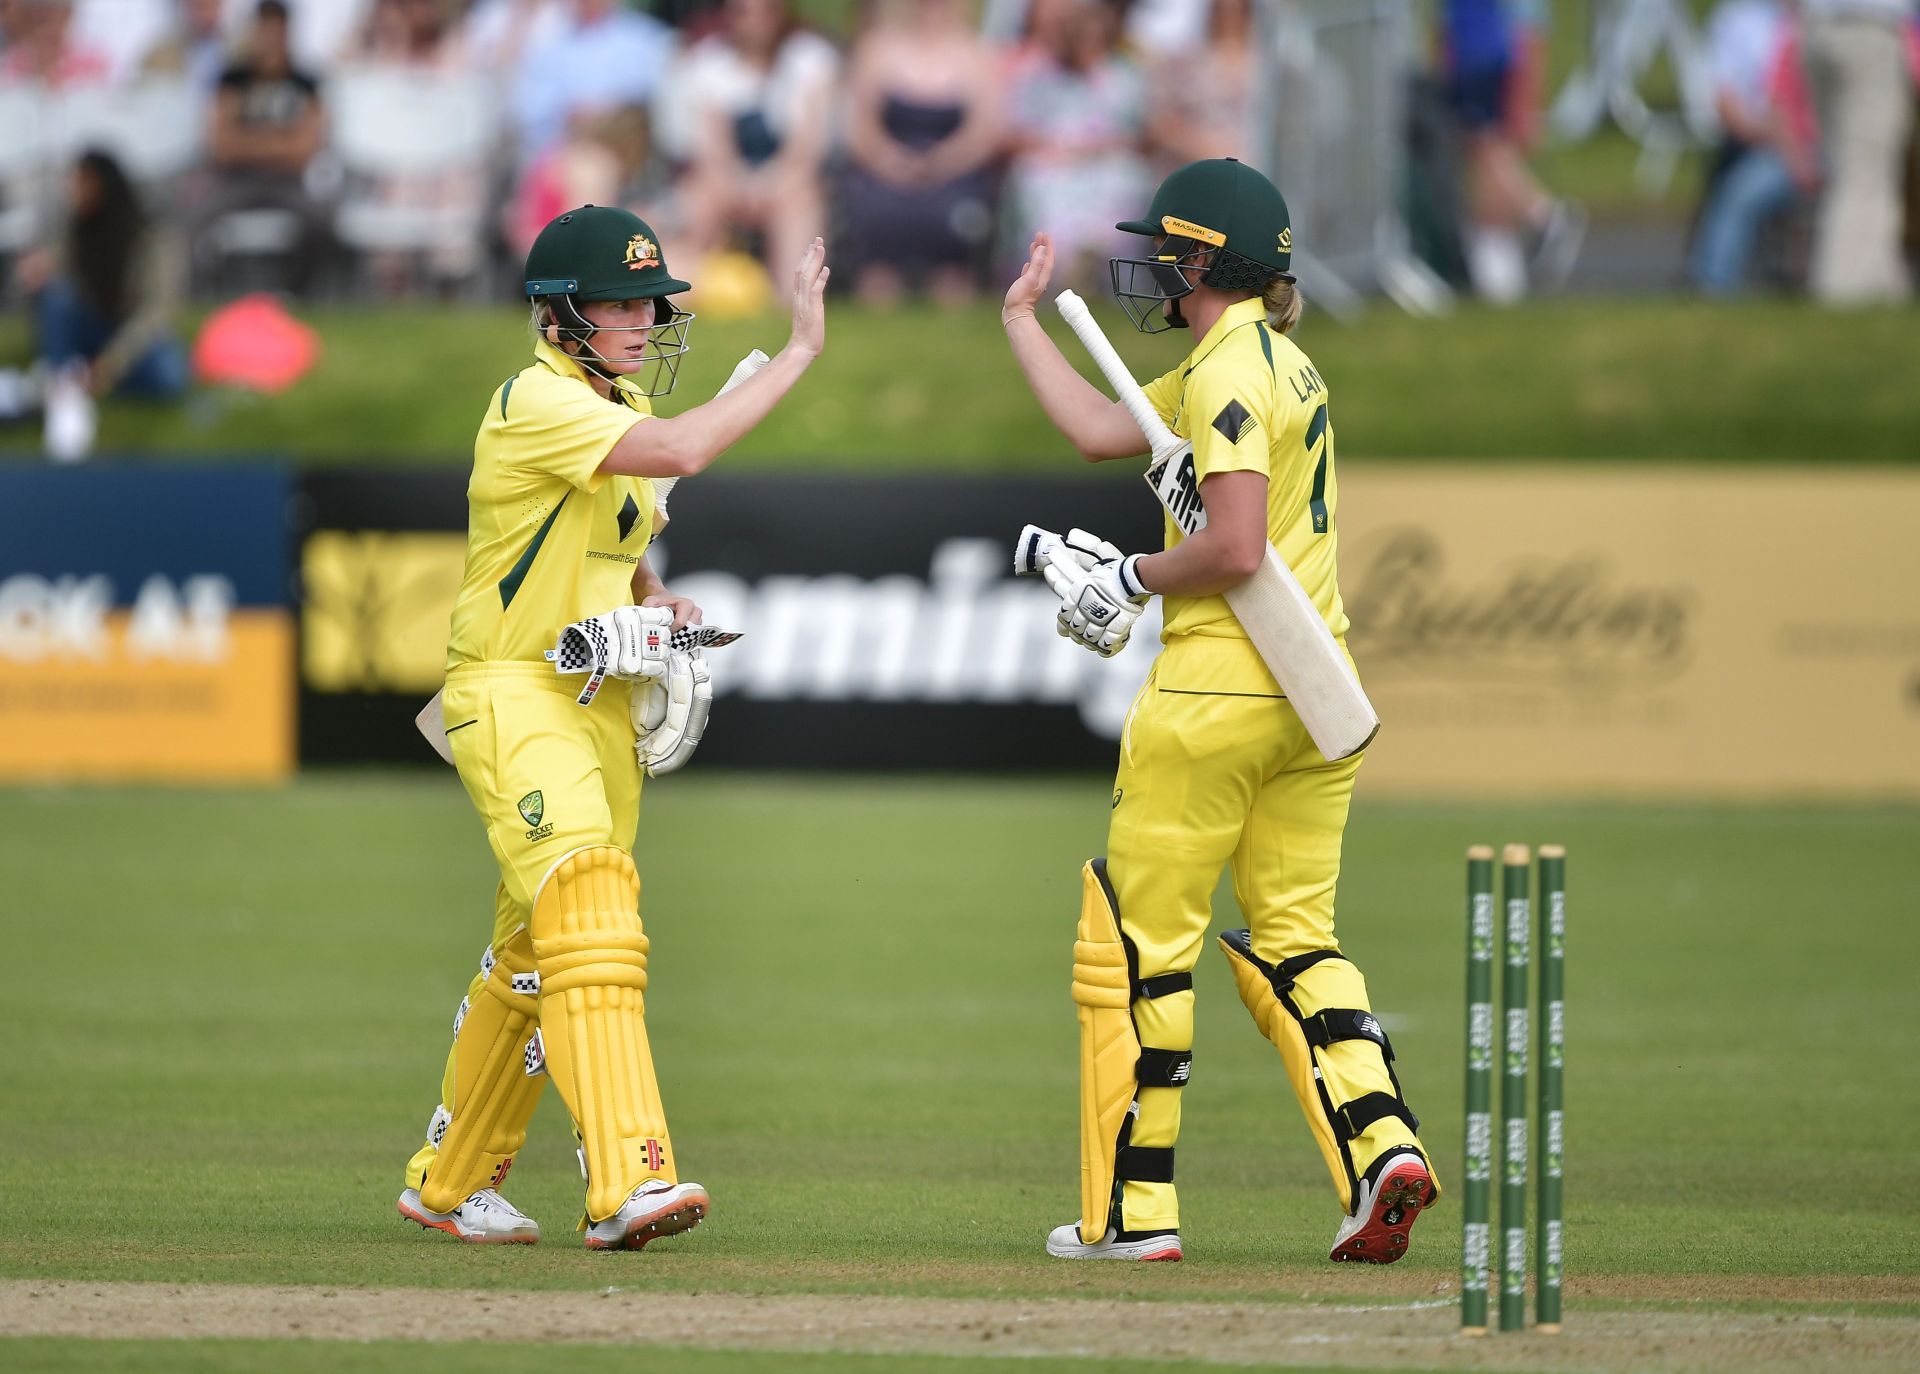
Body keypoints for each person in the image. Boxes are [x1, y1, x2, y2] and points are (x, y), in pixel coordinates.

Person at [1000, 158, 1438, 1264]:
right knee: (1299, 940)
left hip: (1215, 693)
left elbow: (1234, 547)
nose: (1154, 267)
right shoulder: (1280, 365)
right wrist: (1019, 320)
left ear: (1204, 261)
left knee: (1141, 948)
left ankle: (1129, 1214)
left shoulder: (1227, 373)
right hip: (1314, 698)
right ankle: (1380, 1147)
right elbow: (1104, 433)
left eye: (1167, 250)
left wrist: (1132, 580)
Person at [395, 206, 830, 1248]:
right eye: (623, 303)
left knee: (534, 951)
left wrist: (657, 597)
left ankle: (447, 1184)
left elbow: (615, 536)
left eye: (653, 302)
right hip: (513, 689)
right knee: (591, 909)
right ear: (560, 316)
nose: (645, 319)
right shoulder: (535, 401)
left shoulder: (613, 399)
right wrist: (804, 347)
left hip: (597, 699)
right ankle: (633, 1178)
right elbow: (681, 447)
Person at [15, 148, 188, 447]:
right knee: (58, 295)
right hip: (88, 325)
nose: (74, 190)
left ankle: (79, 380)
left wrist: (112, 363)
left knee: (169, 378)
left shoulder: (151, 236)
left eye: (82, 181)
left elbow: (157, 312)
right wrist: (37, 272)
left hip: (129, 334)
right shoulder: (72, 226)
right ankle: (65, 386)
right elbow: (54, 279)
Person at [840, 0, 1001, 304]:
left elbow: (984, 133)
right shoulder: (876, 48)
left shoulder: (977, 53)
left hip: (956, 177)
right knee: (880, 229)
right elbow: (860, 128)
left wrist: (942, 162)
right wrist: (891, 161)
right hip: (884, 174)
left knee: (953, 245)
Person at [674, 0, 837, 284]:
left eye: (766, 10)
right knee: (698, 199)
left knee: (798, 202)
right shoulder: (708, 62)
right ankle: (689, 289)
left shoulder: (810, 57)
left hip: (790, 177)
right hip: (727, 177)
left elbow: (806, 146)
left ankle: (790, 296)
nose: (755, 21)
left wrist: (772, 184)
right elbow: (713, 148)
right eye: (744, 11)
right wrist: (739, 184)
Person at [1439, 0, 1582, 301]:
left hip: (1485, 56)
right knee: (1484, 158)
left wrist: (1527, 92)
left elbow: (1529, 20)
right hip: (1474, 56)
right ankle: (1499, 276)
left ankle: (1545, 216)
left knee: (1486, 149)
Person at [1002, 0, 1149, 290]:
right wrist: (1056, 146)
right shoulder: (1041, 76)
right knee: (1039, 181)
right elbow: (1018, 130)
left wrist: (1098, 147)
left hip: (1106, 161)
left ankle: (1100, 261)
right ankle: (1061, 266)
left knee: (1125, 180)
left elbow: (1137, 133)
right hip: (1055, 161)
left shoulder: (1123, 77)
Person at [191, 0, 331, 295]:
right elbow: (222, 146)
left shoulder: (306, 82)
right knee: (195, 216)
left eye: (276, 31)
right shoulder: (232, 80)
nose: (270, 40)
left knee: (321, 221)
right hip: (236, 182)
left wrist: (249, 142)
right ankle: (208, 296)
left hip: (287, 184)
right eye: (264, 31)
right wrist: (280, 143)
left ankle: (301, 298)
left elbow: (305, 151)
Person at [1689, 0, 1819, 294]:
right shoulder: (1741, 18)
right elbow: (1732, 98)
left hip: (1814, 146)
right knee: (1741, 190)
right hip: (1768, 143)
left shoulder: (1818, 20)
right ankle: (1713, 283)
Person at [1800, 0, 1915, 302]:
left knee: (1850, 173)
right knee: (1866, 179)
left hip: (1818, 29)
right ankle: (1842, 293)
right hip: (1869, 30)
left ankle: (1887, 287)